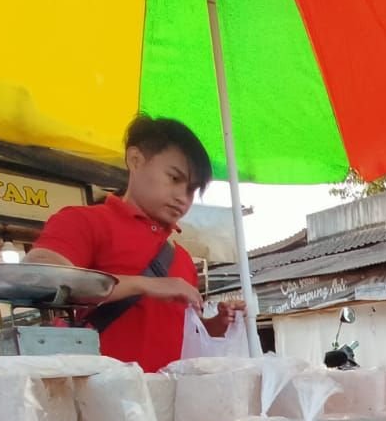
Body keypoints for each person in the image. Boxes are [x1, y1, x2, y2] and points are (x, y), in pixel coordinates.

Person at [25, 114, 239, 372]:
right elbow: (40, 275)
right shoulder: (85, 221)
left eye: (192, 190)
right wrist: (146, 284)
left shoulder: (182, 259)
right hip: (97, 398)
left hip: (166, 404)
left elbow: (176, 333)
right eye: (174, 178)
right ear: (135, 160)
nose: (183, 197)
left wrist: (216, 325)